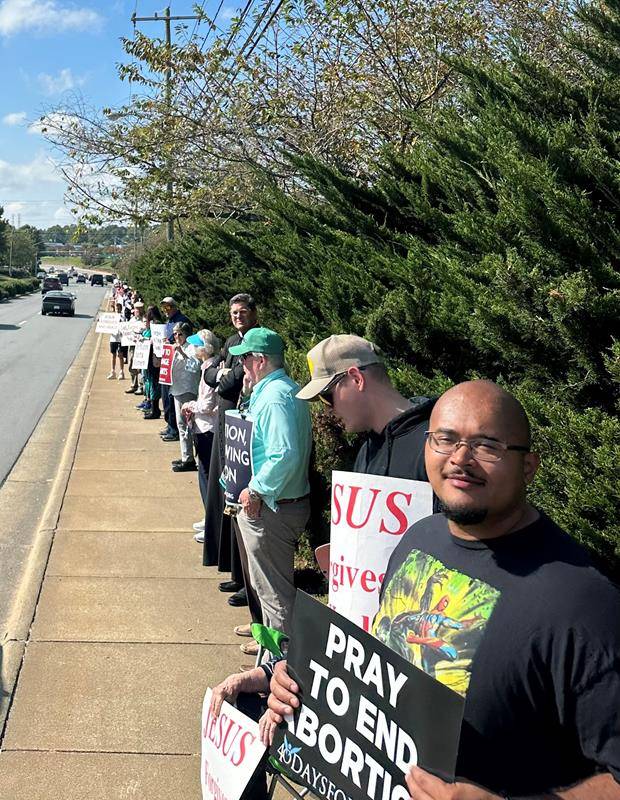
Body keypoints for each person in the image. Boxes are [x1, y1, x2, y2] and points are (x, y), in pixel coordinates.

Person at [266, 380, 620, 800]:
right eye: (445, 439)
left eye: (487, 445)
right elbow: (380, 672)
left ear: (528, 466)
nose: (459, 459)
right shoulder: (419, 539)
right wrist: (305, 682)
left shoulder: (584, 601)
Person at [229, 327, 313, 636]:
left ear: (260, 360)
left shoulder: (274, 398)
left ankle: (280, 667)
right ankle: (270, 650)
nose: (243, 366)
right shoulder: (283, 390)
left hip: (271, 508)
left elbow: (284, 453)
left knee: (274, 594)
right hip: (281, 503)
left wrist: (256, 488)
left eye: (246, 359)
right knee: (269, 589)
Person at [297, 334, 435, 480]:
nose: (327, 410)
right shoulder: (367, 451)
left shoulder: (436, 444)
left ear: (356, 379)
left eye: (327, 397)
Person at [201, 293, 259, 591]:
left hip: (243, 431)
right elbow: (211, 375)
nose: (238, 316)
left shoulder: (257, 341)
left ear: (254, 313)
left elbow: (227, 380)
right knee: (224, 497)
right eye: (234, 312)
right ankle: (232, 570)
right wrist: (220, 373)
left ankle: (244, 579)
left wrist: (221, 374)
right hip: (226, 427)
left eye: (243, 311)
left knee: (239, 499)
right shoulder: (230, 342)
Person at [180, 329, 220, 538]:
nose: (193, 348)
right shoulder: (208, 367)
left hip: (207, 429)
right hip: (204, 427)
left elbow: (206, 404)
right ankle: (208, 516)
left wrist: (189, 405)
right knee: (204, 474)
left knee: (206, 475)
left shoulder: (209, 370)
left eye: (196, 345)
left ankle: (212, 522)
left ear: (205, 348)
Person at [169, 321, 200, 472]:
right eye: (174, 333)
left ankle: (189, 459)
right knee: (181, 425)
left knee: (187, 425)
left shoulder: (192, 347)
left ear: (187, 334)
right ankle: (186, 455)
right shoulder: (175, 347)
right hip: (177, 388)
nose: (176, 336)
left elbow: (195, 366)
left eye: (180, 333)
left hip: (187, 389)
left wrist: (181, 352)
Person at [160, 296, 191, 442]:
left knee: (172, 398)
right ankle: (170, 424)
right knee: (166, 396)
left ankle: (174, 429)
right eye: (164, 308)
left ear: (174, 307)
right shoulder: (169, 321)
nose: (165, 311)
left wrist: (172, 342)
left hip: (177, 364)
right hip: (167, 361)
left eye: (168, 307)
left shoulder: (181, 320)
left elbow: (185, 339)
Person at [106, 299, 127, 380]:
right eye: (116, 307)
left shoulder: (123, 316)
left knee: (120, 355)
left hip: (120, 339)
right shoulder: (111, 316)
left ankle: (121, 372)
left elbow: (124, 325)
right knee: (113, 355)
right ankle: (113, 371)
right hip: (113, 338)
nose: (118, 309)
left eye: (119, 307)